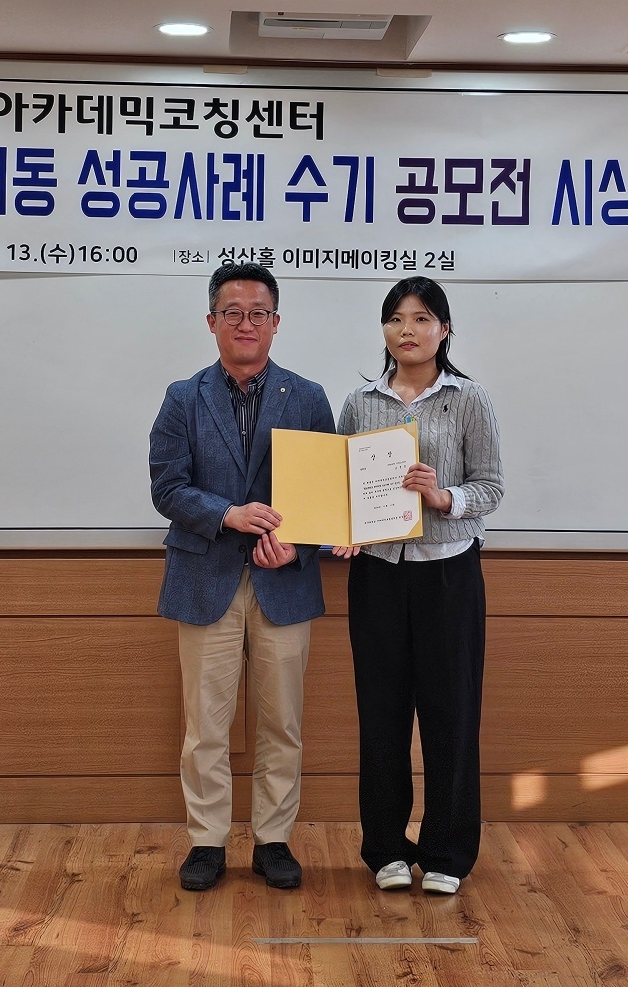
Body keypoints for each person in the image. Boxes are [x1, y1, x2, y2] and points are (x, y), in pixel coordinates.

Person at [150, 262, 335, 892]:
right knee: (206, 725)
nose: (246, 323)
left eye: (258, 313)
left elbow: (325, 494)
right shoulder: (183, 397)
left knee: (282, 723)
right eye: (233, 312)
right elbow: (167, 486)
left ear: (276, 323)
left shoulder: (307, 398)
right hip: (206, 579)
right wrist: (227, 514)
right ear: (212, 322)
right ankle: (206, 842)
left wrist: (295, 545)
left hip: (285, 583)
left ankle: (273, 841)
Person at [332, 276, 503, 896]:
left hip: (448, 572)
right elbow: (341, 487)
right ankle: (385, 848)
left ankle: (448, 852)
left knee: (450, 713)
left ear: (444, 329)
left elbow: (491, 487)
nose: (408, 330)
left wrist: (443, 495)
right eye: (396, 318)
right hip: (377, 574)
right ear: (384, 330)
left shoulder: (469, 398)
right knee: (380, 713)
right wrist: (342, 529)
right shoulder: (360, 403)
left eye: (422, 317)